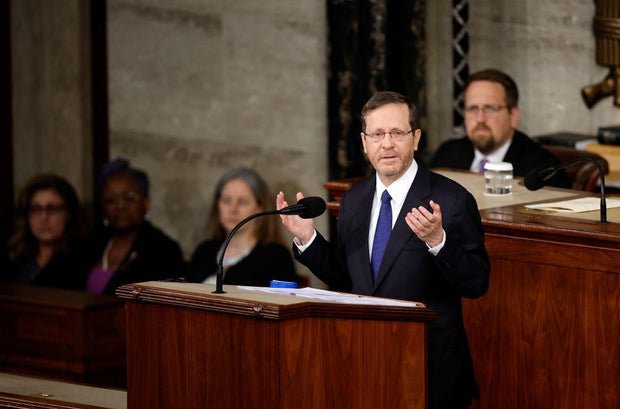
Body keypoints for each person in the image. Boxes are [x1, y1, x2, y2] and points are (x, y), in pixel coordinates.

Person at [277, 91, 490, 409]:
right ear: (364, 143)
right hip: (364, 361)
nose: (387, 143)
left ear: (415, 138)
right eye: (377, 134)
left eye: (397, 133)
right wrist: (309, 239)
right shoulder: (354, 200)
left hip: (429, 371)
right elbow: (348, 280)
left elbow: (477, 283)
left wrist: (438, 242)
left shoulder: (451, 201)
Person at [430, 68, 570, 188]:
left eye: (489, 108)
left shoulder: (542, 169)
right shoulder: (446, 155)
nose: (480, 119)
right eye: (472, 109)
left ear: (513, 115)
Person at [84, 158, 185, 295]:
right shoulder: (92, 242)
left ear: (146, 202)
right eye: (110, 200)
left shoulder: (164, 249)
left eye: (129, 198)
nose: (120, 206)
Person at [187, 167, 300, 286]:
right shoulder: (205, 251)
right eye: (226, 200)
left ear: (260, 207)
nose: (233, 209)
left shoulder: (276, 257)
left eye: (243, 202)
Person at [2, 174, 88, 290]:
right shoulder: (16, 257)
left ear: (68, 214)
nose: (43, 217)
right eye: (36, 209)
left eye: (52, 209)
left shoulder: (80, 262)